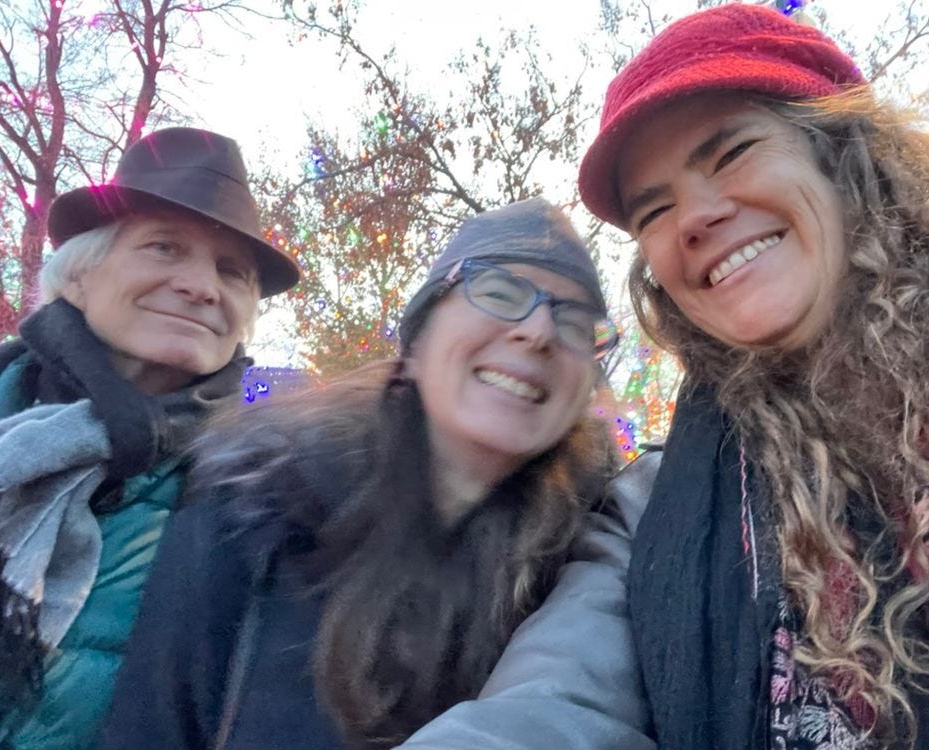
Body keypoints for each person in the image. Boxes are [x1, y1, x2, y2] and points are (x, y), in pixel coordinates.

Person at [401, 4, 929, 749]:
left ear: (842, 157)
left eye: (731, 153)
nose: (694, 219)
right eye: (656, 209)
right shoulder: (654, 511)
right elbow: (556, 702)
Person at [98, 197, 621, 749]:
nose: (539, 331)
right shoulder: (251, 511)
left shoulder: (589, 563)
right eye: (498, 292)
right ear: (416, 345)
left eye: (577, 323)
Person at [0, 126, 300, 749]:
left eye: (231, 272)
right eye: (163, 247)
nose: (202, 286)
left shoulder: (270, 475)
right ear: (77, 277)